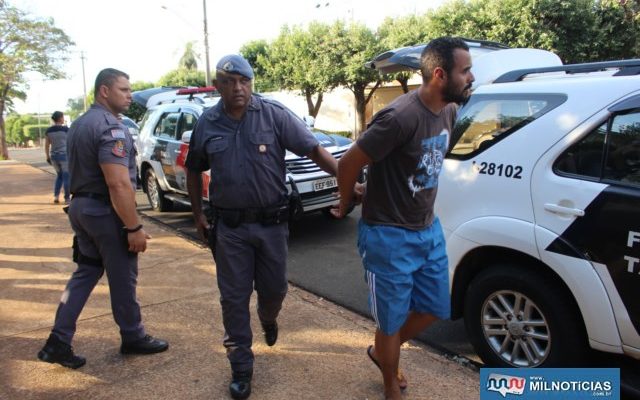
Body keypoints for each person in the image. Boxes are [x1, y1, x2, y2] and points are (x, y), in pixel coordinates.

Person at [185, 54, 345, 400]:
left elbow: (314, 149)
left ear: (251, 83)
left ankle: (269, 317)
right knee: (233, 299)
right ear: (219, 85)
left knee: (274, 291)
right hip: (229, 228)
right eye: (230, 82)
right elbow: (194, 168)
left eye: (245, 82)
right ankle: (241, 367)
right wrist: (198, 213)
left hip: (272, 226)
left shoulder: (273, 114)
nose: (239, 88)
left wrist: (345, 181)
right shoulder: (207, 123)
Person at [332, 37, 475, 400]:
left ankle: (382, 351)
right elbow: (349, 164)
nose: (471, 77)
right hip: (388, 236)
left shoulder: (449, 110)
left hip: (428, 229)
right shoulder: (399, 117)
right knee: (391, 321)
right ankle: (389, 382)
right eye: (465, 70)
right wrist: (347, 200)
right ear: (440, 74)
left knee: (434, 308)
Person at [37, 68, 168, 369]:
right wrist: (133, 227)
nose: (130, 95)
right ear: (104, 91)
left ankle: (58, 340)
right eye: (124, 89)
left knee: (85, 273)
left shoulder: (81, 124)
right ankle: (133, 336)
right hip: (104, 213)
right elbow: (118, 183)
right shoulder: (111, 128)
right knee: (123, 279)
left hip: (81, 209)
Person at [44, 111, 70, 204]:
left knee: (59, 176)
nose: (63, 119)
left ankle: (56, 196)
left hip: (54, 156)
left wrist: (47, 157)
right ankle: (67, 198)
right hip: (64, 156)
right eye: (63, 117)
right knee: (66, 177)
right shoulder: (66, 130)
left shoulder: (48, 131)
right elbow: (70, 143)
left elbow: (47, 145)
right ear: (59, 118)